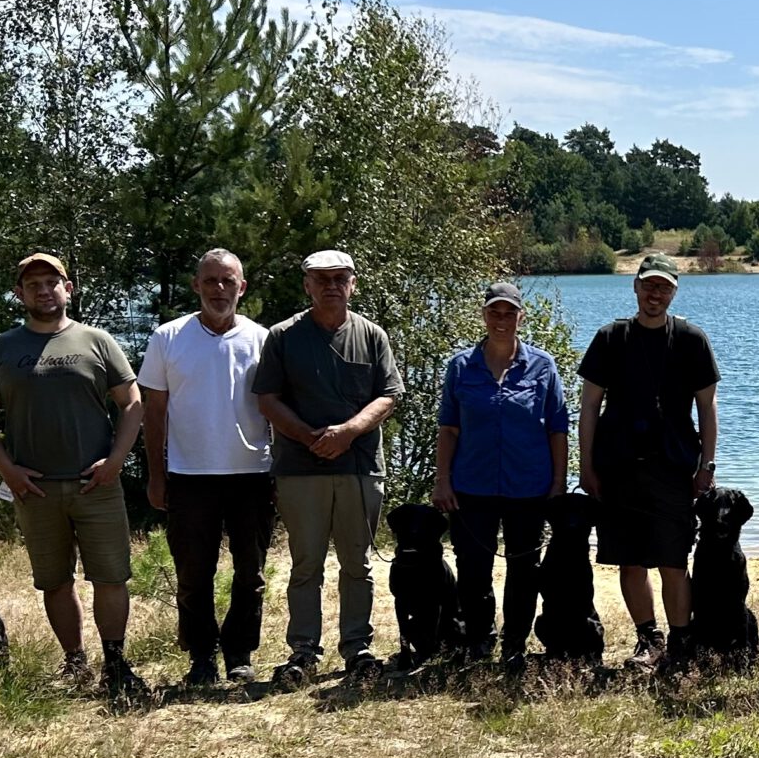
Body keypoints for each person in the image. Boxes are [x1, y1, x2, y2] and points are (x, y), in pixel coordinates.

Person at [0, 252, 147, 698]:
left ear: (69, 288)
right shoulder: (2, 348)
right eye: (33, 285)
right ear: (20, 294)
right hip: (36, 491)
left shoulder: (97, 341)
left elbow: (132, 403)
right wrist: (8, 471)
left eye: (52, 282)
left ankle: (115, 662)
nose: (43, 290)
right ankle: (74, 661)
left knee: (110, 577)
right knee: (54, 580)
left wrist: (116, 461)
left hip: (96, 484)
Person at [252, 249, 405, 686]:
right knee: (306, 566)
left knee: (357, 564)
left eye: (340, 278)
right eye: (322, 279)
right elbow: (267, 399)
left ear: (352, 283)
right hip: (300, 470)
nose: (331, 286)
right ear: (307, 285)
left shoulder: (372, 335)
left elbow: (388, 395)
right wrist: (309, 437)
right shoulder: (283, 336)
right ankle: (303, 651)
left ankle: (357, 649)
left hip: (359, 468)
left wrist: (348, 432)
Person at [140, 249, 273, 690]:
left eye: (228, 281)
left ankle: (239, 654)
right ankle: (201, 656)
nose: (219, 289)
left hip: (252, 474)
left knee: (249, 572)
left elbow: (275, 408)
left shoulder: (262, 339)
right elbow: (153, 412)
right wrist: (156, 474)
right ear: (196, 285)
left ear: (242, 287)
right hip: (188, 476)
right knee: (193, 572)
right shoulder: (168, 338)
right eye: (210, 281)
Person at [577, 253, 721, 663]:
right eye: (648, 285)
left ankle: (680, 641)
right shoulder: (610, 337)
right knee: (630, 559)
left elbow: (707, 408)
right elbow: (589, 406)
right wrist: (586, 465)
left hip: (673, 466)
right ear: (635, 286)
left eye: (664, 287)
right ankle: (648, 638)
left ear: (674, 291)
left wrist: (705, 465)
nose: (655, 294)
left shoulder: (692, 340)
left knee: (673, 560)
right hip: (618, 465)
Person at [434, 281, 570, 671]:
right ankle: (479, 640)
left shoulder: (542, 366)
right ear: (484, 315)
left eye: (509, 312)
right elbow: (449, 428)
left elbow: (558, 429)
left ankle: (515, 643)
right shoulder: (461, 366)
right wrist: (442, 480)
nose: (501, 319)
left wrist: (558, 485)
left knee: (524, 570)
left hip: (529, 485)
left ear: (520, 317)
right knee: (473, 568)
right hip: (471, 485)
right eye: (494, 311)